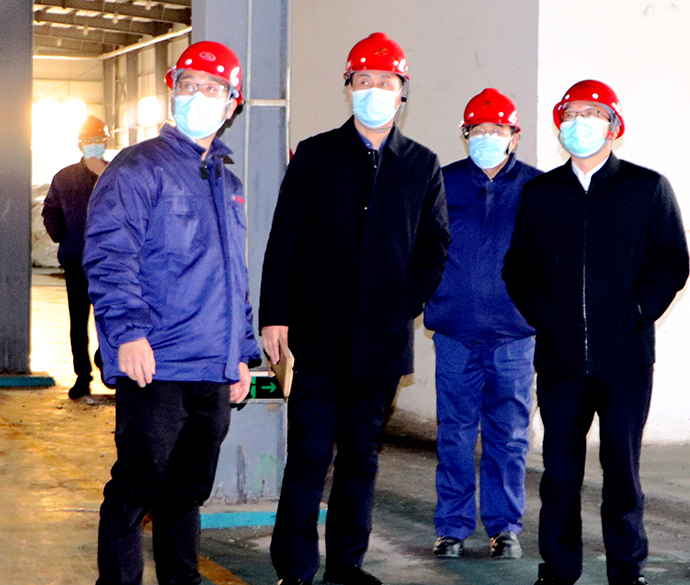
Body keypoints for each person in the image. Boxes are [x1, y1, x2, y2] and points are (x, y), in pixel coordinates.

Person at [259, 32, 450, 585]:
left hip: (381, 342)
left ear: (402, 91)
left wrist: (407, 300)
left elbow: (435, 243)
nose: (374, 90)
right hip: (319, 336)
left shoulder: (421, 165)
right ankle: (295, 568)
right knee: (309, 456)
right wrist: (275, 314)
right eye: (363, 80)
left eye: (385, 82)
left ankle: (347, 566)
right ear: (349, 87)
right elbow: (284, 239)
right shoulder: (316, 155)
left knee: (361, 459)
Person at [84, 41, 258, 585]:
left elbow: (233, 276)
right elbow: (109, 256)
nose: (198, 96)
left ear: (231, 103)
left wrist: (242, 353)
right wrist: (128, 334)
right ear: (173, 93)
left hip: (213, 367)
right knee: (136, 488)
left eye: (211, 88)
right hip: (156, 363)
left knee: (186, 493)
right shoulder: (139, 168)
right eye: (188, 86)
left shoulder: (227, 183)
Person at [503, 80, 690, 585]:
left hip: (625, 360)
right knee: (560, 476)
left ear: (613, 126)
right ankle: (558, 569)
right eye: (572, 113)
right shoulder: (541, 194)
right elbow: (518, 267)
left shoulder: (646, 188)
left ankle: (627, 570)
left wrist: (638, 309)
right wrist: (544, 312)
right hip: (560, 361)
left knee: (622, 475)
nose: (580, 122)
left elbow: (672, 261)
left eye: (593, 113)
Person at [423, 88, 541, 560]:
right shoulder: (441, 183)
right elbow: (421, 248)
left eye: (498, 130)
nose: (488, 137)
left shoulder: (538, 189)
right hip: (455, 332)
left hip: (515, 335)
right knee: (454, 434)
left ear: (514, 136)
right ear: (465, 134)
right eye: (478, 130)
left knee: (508, 436)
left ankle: (504, 526)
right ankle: (451, 527)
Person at [43, 115, 110, 399]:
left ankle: (108, 364)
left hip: (111, 266)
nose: (94, 145)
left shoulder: (117, 174)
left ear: (106, 142)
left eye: (98, 140)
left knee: (110, 319)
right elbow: (50, 210)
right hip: (77, 262)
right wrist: (63, 236)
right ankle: (83, 377)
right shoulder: (64, 178)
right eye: (89, 140)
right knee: (78, 323)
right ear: (80, 144)